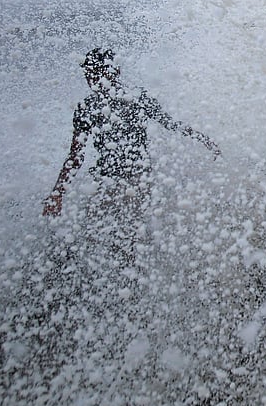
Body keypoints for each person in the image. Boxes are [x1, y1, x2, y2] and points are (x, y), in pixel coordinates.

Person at [43, 48, 220, 259]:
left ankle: (127, 275)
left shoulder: (115, 101)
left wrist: (203, 139)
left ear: (111, 72)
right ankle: (122, 272)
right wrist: (58, 193)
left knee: (117, 237)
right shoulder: (102, 104)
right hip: (120, 181)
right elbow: (76, 155)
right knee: (110, 236)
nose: (91, 78)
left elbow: (170, 124)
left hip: (125, 181)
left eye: (94, 72)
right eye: (88, 73)